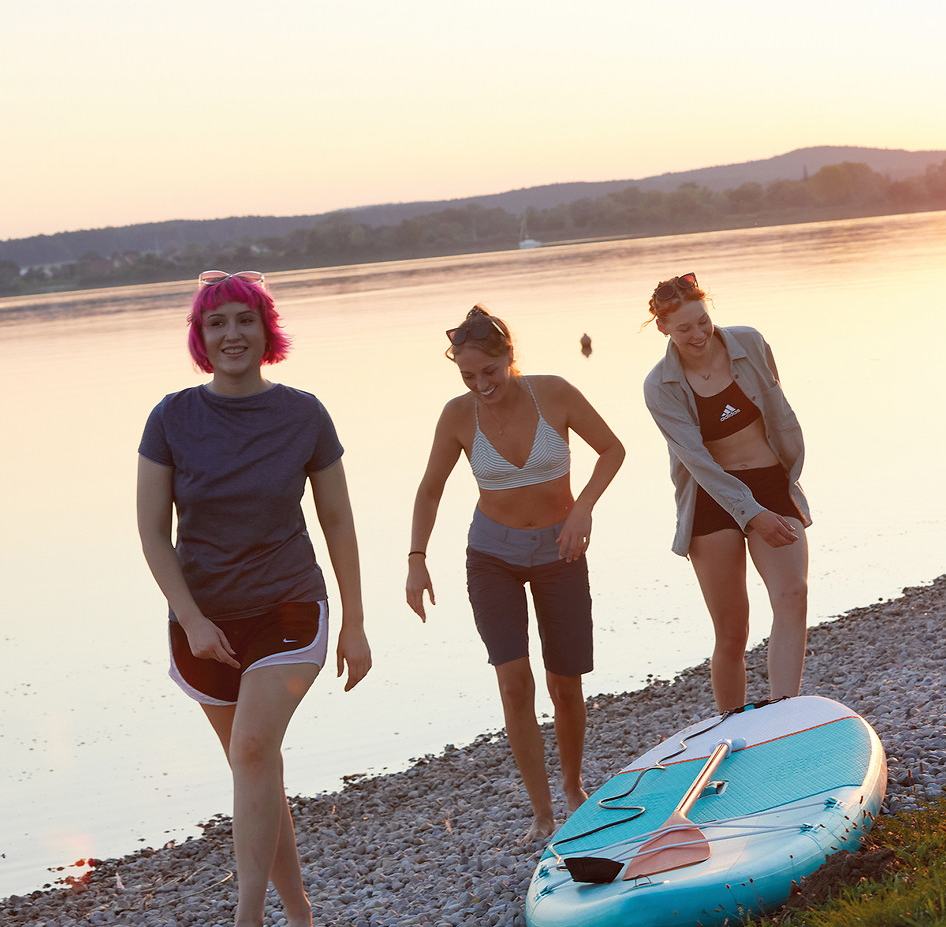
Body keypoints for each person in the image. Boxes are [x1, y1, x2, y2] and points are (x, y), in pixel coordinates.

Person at [136, 270, 371, 927]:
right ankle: (300, 915)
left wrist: (354, 623)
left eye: (244, 320)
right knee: (256, 768)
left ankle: (248, 919)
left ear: (266, 328)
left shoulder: (304, 414)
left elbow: (340, 522)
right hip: (204, 622)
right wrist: (192, 618)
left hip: (289, 609)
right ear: (200, 336)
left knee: (250, 752)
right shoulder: (170, 419)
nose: (232, 334)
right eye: (218, 323)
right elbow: (153, 532)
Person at [406, 305, 624, 842]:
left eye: (490, 372)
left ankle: (573, 787)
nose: (480, 384)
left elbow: (613, 450)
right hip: (492, 558)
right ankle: (542, 812)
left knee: (565, 684)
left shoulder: (555, 393)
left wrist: (583, 508)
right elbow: (430, 489)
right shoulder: (457, 415)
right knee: (513, 683)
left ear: (510, 357)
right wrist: (416, 559)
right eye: (468, 376)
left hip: (561, 552)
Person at [643, 272, 810, 712]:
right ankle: (731, 726)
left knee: (793, 594)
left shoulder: (751, 344)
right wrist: (750, 513)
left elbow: (778, 413)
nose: (697, 334)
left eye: (702, 321)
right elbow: (697, 461)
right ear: (663, 328)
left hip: (769, 480)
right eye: (684, 328)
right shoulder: (659, 386)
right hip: (710, 496)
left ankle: (783, 715)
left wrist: (772, 496)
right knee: (732, 630)